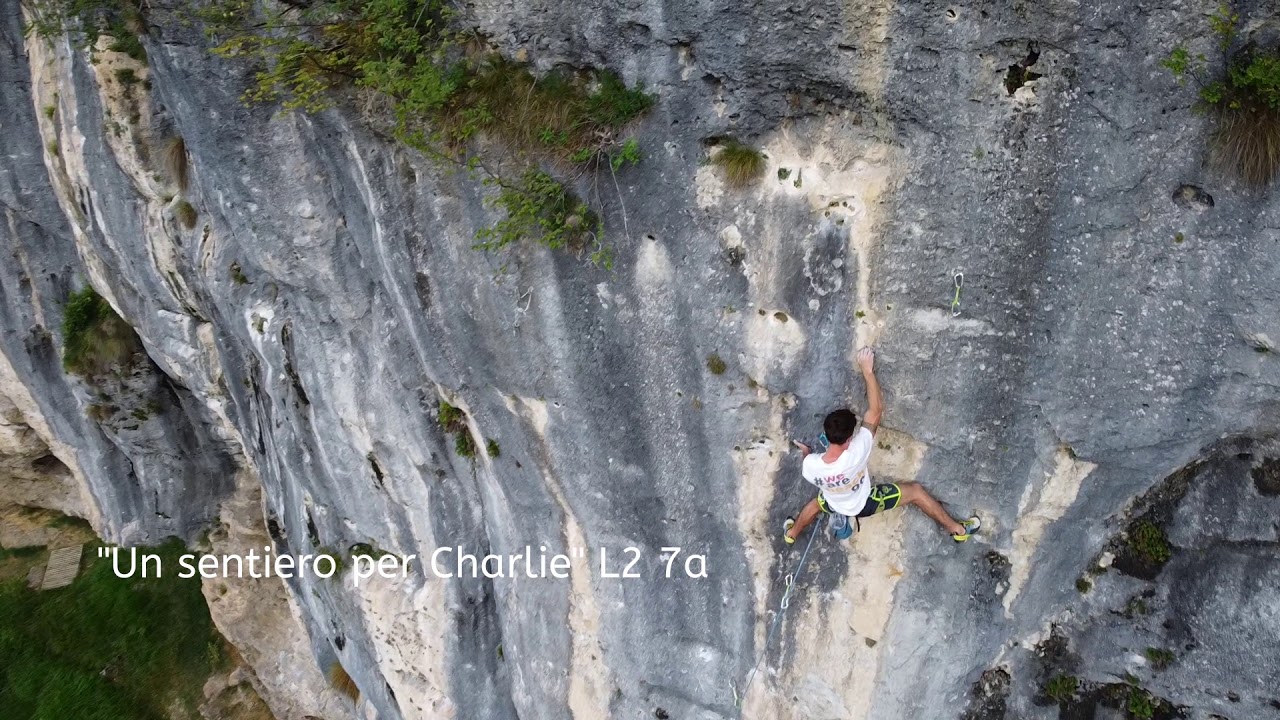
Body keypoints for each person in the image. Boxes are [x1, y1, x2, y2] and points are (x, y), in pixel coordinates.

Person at [783, 348, 980, 544]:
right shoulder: (856, 452)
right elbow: (875, 411)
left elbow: (810, 459)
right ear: (850, 439)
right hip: (863, 504)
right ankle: (958, 530)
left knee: (816, 504)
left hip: (833, 501)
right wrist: (867, 371)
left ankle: (791, 534)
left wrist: (807, 452)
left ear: (826, 434)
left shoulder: (810, 466)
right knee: (916, 492)